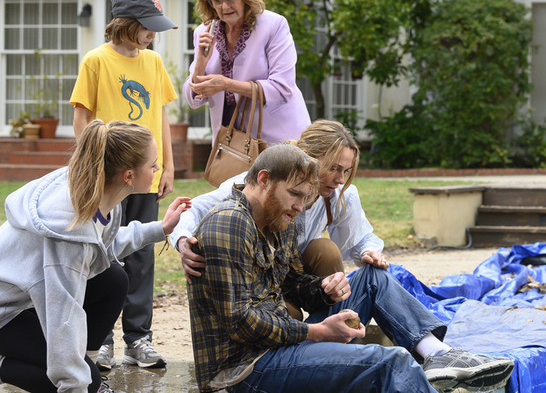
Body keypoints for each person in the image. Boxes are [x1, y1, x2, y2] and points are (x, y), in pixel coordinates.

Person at [188, 144, 514, 392]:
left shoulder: (276, 219)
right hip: (244, 370)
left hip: (278, 346)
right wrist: (317, 332)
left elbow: (291, 282)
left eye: (306, 197)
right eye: (295, 195)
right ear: (263, 180)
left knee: (371, 277)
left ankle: (438, 354)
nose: (301, 207)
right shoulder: (230, 222)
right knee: (392, 362)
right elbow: (239, 322)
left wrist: (324, 290)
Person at [0, 120, 190, 393]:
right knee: (80, 382)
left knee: (113, 279)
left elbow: (101, 248)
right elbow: (63, 316)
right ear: (128, 176)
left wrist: (160, 228)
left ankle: (82, 365)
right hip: (5, 313)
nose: (158, 169)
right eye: (153, 164)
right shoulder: (68, 233)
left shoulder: (97, 192)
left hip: (25, 298)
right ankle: (6, 364)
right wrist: (78, 382)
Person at [171, 120, 384, 318]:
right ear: (307, 155)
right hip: (261, 277)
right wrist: (183, 241)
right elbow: (192, 209)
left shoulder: (339, 196)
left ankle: (332, 323)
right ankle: (304, 337)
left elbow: (358, 238)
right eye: (334, 168)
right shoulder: (252, 186)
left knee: (325, 250)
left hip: (296, 275)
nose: (339, 179)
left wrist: (368, 252)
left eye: (346, 171)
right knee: (291, 316)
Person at [69, 0, 179, 370]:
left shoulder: (153, 63)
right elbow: (81, 118)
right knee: (102, 254)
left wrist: (166, 164)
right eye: (148, 27)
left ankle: (139, 339)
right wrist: (91, 166)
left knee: (142, 257)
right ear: (126, 24)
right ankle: (101, 340)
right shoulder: (96, 61)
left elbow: (161, 115)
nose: (153, 34)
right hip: (109, 179)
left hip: (146, 176)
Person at [183, 0, 311, 144]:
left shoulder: (273, 25)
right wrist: (200, 66)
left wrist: (227, 84)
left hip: (279, 141)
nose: (224, 7)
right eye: (216, 0)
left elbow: (282, 89)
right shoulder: (203, 32)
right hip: (230, 145)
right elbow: (193, 99)